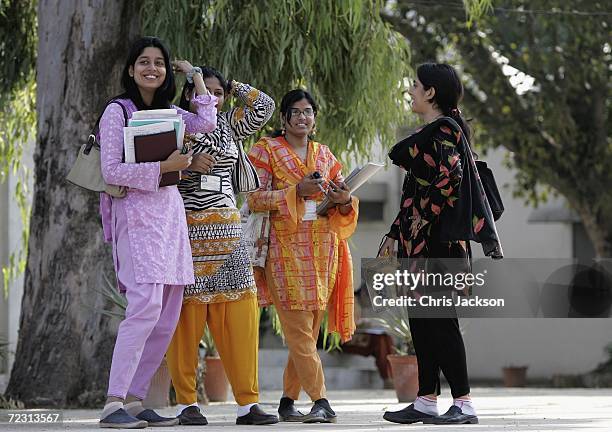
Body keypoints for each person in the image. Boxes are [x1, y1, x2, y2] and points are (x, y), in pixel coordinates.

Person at [97, 36, 218, 428]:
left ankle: (134, 400)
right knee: (144, 306)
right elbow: (111, 171)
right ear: (131, 69)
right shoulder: (118, 111)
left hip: (168, 216)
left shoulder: (169, 111)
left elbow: (207, 122)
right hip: (133, 215)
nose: (153, 68)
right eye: (144, 62)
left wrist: (196, 76)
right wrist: (167, 167)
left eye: (160, 63)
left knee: (166, 314)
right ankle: (113, 402)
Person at [380, 63, 502, 425]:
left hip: (438, 244)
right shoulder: (435, 131)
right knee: (422, 321)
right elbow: (413, 191)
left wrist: (422, 219)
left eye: (416, 86)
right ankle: (426, 399)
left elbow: (451, 176)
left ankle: (463, 403)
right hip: (420, 243)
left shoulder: (445, 130)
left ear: (431, 92)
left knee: (441, 321)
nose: (411, 91)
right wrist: (396, 229)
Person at [165, 65, 278, 426]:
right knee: (187, 319)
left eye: (218, 93)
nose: (212, 98)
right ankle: (186, 403)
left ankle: (247, 403)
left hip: (228, 231)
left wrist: (232, 85)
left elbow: (265, 107)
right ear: (188, 94)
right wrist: (186, 166)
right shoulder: (175, 123)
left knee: (241, 315)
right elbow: (152, 169)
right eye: (204, 91)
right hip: (187, 230)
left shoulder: (229, 124)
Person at [247, 89, 359, 424]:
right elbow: (254, 199)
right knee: (298, 330)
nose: (302, 117)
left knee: (307, 331)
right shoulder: (265, 150)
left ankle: (286, 401)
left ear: (315, 118)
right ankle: (321, 400)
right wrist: (296, 191)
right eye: (295, 112)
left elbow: (343, 192)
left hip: (323, 251)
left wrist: (342, 199)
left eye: (308, 111)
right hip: (284, 250)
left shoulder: (325, 154)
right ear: (283, 118)